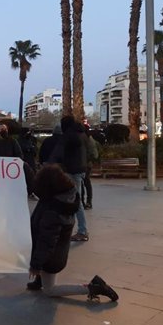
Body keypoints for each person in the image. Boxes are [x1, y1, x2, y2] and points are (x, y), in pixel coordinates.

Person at [27, 164, 118, 302]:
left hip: (51, 258)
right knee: (45, 256)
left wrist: (36, 265)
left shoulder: (52, 210)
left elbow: (46, 242)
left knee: (50, 290)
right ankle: (40, 280)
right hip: (58, 251)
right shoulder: (66, 197)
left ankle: (92, 287)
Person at [60, 116, 89, 242]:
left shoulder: (71, 136)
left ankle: (82, 231)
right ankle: (77, 229)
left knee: (76, 202)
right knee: (74, 200)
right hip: (80, 169)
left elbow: (61, 152)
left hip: (73, 171)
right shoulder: (81, 134)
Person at [82, 127, 99, 210]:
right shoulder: (88, 139)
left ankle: (88, 202)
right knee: (85, 182)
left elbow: (94, 154)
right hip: (85, 164)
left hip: (86, 164)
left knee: (85, 182)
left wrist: (87, 159)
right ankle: (87, 202)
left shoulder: (89, 141)